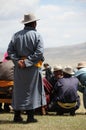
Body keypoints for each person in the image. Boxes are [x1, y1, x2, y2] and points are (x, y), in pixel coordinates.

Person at [7, 13, 46, 123]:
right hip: (32, 67)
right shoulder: (37, 35)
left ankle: (17, 116)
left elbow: (10, 51)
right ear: (34, 23)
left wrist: (18, 61)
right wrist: (27, 62)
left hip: (19, 67)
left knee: (19, 91)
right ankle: (30, 117)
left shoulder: (16, 35)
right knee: (32, 91)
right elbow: (39, 52)